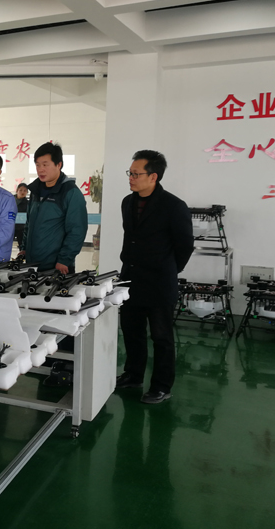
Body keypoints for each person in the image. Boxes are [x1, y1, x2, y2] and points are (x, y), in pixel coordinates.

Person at [116, 150, 194, 404]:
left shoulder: (174, 206)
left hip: (160, 281)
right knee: (132, 331)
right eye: (130, 173)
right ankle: (133, 375)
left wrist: (169, 269)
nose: (131, 178)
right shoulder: (127, 202)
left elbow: (185, 245)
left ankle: (161, 386)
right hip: (130, 278)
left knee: (161, 337)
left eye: (136, 174)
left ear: (153, 176)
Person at [20, 142, 88, 272]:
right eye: (37, 165)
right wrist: (24, 248)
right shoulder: (35, 191)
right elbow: (29, 223)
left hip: (56, 267)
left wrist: (64, 260)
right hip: (32, 265)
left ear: (59, 165)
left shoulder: (70, 193)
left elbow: (76, 230)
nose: (40, 169)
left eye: (45, 165)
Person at [14, 182, 28, 247]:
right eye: (21, 190)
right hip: (10, 226)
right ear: (17, 190)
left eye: (25, 191)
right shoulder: (10, 200)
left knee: (22, 245)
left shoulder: (28, 203)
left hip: (21, 227)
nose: (22, 192)